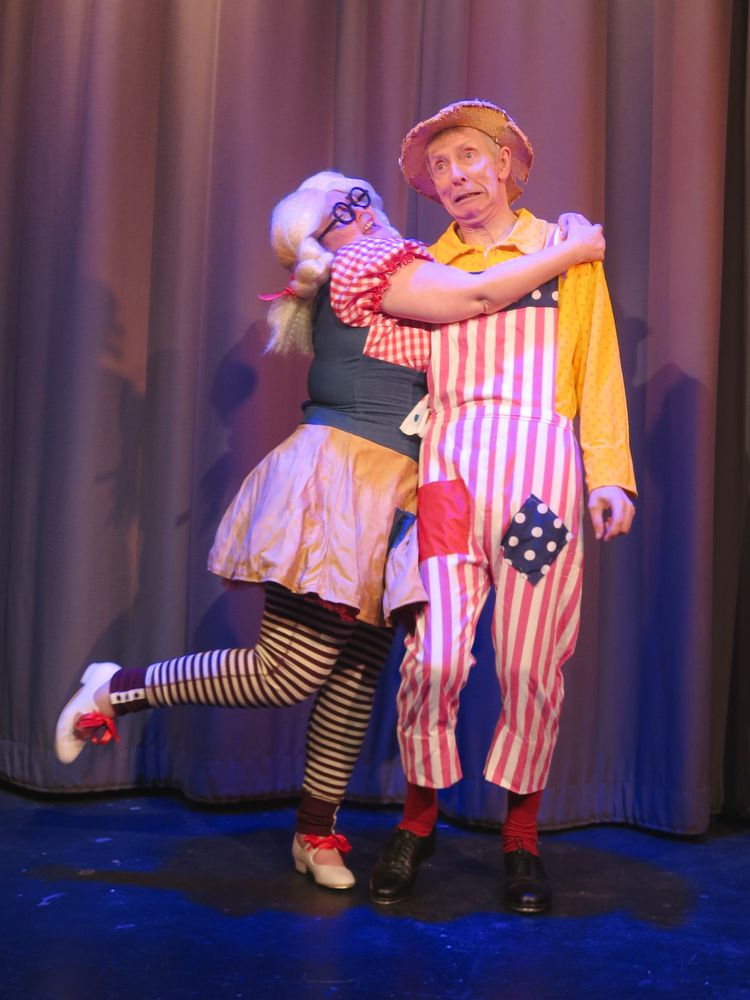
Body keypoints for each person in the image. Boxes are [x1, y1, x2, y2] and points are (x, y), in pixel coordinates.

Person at [55, 168, 606, 892]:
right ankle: (116, 689)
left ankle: (315, 832)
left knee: (355, 674)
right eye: (338, 212)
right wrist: (569, 251)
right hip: (344, 479)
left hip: (404, 490)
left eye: (359, 197)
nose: (361, 211)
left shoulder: (405, 257)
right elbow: (475, 295)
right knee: (290, 670)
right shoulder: (366, 262)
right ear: (320, 241)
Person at [369, 101, 637, 913]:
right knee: (435, 658)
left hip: (537, 479)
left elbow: (597, 366)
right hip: (450, 472)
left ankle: (521, 837)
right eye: (439, 166)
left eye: (468, 157)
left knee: (529, 662)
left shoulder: (563, 252)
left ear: (506, 165)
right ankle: (418, 822)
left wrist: (609, 474)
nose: (455, 176)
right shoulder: (426, 266)